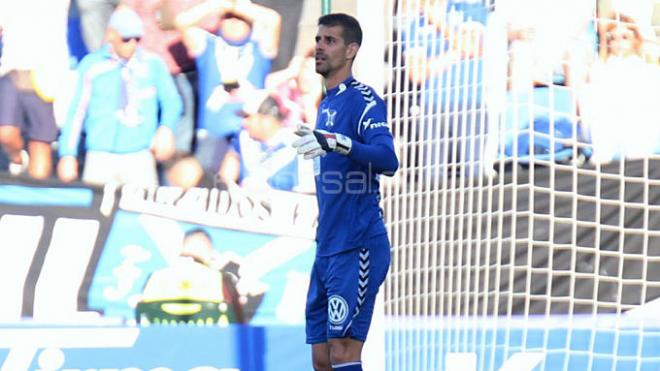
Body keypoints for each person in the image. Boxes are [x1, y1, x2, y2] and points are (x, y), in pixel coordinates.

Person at [292, 13, 399, 371]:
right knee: (322, 357)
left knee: (343, 352)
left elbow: (388, 159)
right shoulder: (327, 105)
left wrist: (341, 143)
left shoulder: (364, 100)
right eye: (318, 39)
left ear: (351, 50)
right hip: (328, 245)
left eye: (330, 41)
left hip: (358, 243)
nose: (319, 47)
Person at [57, 7, 182, 187]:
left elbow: (172, 101)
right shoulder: (92, 67)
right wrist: (67, 154)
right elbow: (76, 112)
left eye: (136, 39)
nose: (132, 44)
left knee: (142, 212)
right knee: (96, 211)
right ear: (111, 35)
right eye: (126, 39)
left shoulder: (152, 64)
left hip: (139, 156)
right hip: (100, 156)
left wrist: (166, 128)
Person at [175, 0, 281, 178]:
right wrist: (218, 3)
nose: (234, 22)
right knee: (208, 192)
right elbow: (182, 21)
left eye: (240, 18)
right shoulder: (208, 44)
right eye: (228, 18)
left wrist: (237, 6)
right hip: (211, 136)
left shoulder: (259, 48)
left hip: (250, 137)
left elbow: (273, 20)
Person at [0, 0, 71, 179]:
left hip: (46, 74)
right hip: (12, 70)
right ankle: (18, 159)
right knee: (6, 133)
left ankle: (39, 202)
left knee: (40, 145)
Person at [136, 227, 245, 324]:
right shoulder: (220, 279)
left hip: (159, 342)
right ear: (209, 252)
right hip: (210, 343)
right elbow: (238, 324)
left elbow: (140, 313)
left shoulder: (156, 276)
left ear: (182, 248)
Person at [218, 90, 314, 193]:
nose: (243, 122)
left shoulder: (301, 143)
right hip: (247, 205)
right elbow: (225, 177)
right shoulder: (242, 138)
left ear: (267, 119)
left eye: (248, 117)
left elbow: (309, 191)